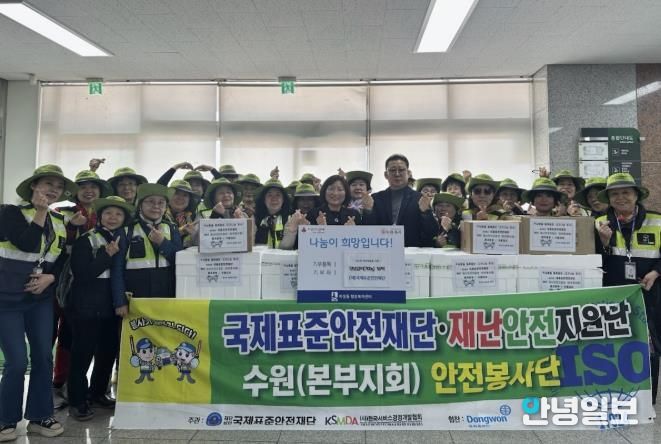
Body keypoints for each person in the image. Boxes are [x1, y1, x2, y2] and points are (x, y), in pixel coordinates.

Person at [0, 165, 77, 440]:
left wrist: (50, 278)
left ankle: (40, 416)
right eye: (48, 184)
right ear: (34, 185)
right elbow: (27, 244)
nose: (54, 190)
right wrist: (41, 212)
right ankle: (5, 419)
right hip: (6, 299)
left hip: (39, 300)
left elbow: (61, 259)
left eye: (59, 186)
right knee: (17, 361)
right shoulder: (9, 212)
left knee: (44, 356)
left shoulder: (60, 221)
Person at [595, 172, 661, 404]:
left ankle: (646, 402)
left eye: (626, 192)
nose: (620, 197)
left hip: (648, 295)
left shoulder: (657, 220)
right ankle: (616, 397)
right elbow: (592, 262)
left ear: (636, 195)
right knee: (614, 347)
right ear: (608, 198)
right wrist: (603, 244)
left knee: (649, 348)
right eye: (614, 194)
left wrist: (655, 272)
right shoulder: (598, 222)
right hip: (612, 296)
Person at [66, 196, 133, 421]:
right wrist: (106, 255)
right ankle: (77, 401)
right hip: (85, 306)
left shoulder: (123, 239)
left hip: (110, 306)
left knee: (107, 352)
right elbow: (83, 274)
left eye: (118, 214)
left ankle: (97, 393)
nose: (113, 217)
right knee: (82, 354)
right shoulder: (87, 239)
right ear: (99, 216)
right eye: (108, 213)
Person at [52, 170, 113, 410]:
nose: (89, 191)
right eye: (84, 187)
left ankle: (92, 389)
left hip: (92, 289)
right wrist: (70, 226)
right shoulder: (62, 212)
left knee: (87, 338)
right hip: (58, 279)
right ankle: (59, 383)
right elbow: (53, 242)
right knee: (64, 335)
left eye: (94, 187)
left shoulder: (104, 215)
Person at [120, 184, 183, 298]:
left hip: (167, 295)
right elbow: (117, 270)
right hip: (136, 297)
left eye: (161, 203)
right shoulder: (127, 230)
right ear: (140, 205)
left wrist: (162, 242)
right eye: (150, 202)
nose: (156, 206)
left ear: (166, 207)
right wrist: (120, 301)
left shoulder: (172, 228)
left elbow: (180, 261)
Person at [363, 154, 439, 247]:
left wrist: (426, 212)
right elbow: (367, 232)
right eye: (392, 170)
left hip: (410, 251)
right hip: (383, 249)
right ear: (386, 175)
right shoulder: (376, 198)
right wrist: (368, 211)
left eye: (401, 170)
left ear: (408, 173)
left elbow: (432, 233)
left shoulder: (419, 198)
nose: (397, 174)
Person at [253, 179, 298, 249]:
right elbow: (250, 244)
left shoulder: (290, 219)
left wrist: (291, 231)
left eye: (278, 195)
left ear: (283, 200)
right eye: (269, 195)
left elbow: (286, 247)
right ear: (264, 199)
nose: (274, 198)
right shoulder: (255, 218)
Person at [165, 180, 200, 248]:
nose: (180, 198)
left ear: (189, 200)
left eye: (185, 195)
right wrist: (179, 232)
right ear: (168, 196)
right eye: (176, 193)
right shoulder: (159, 215)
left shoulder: (194, 217)